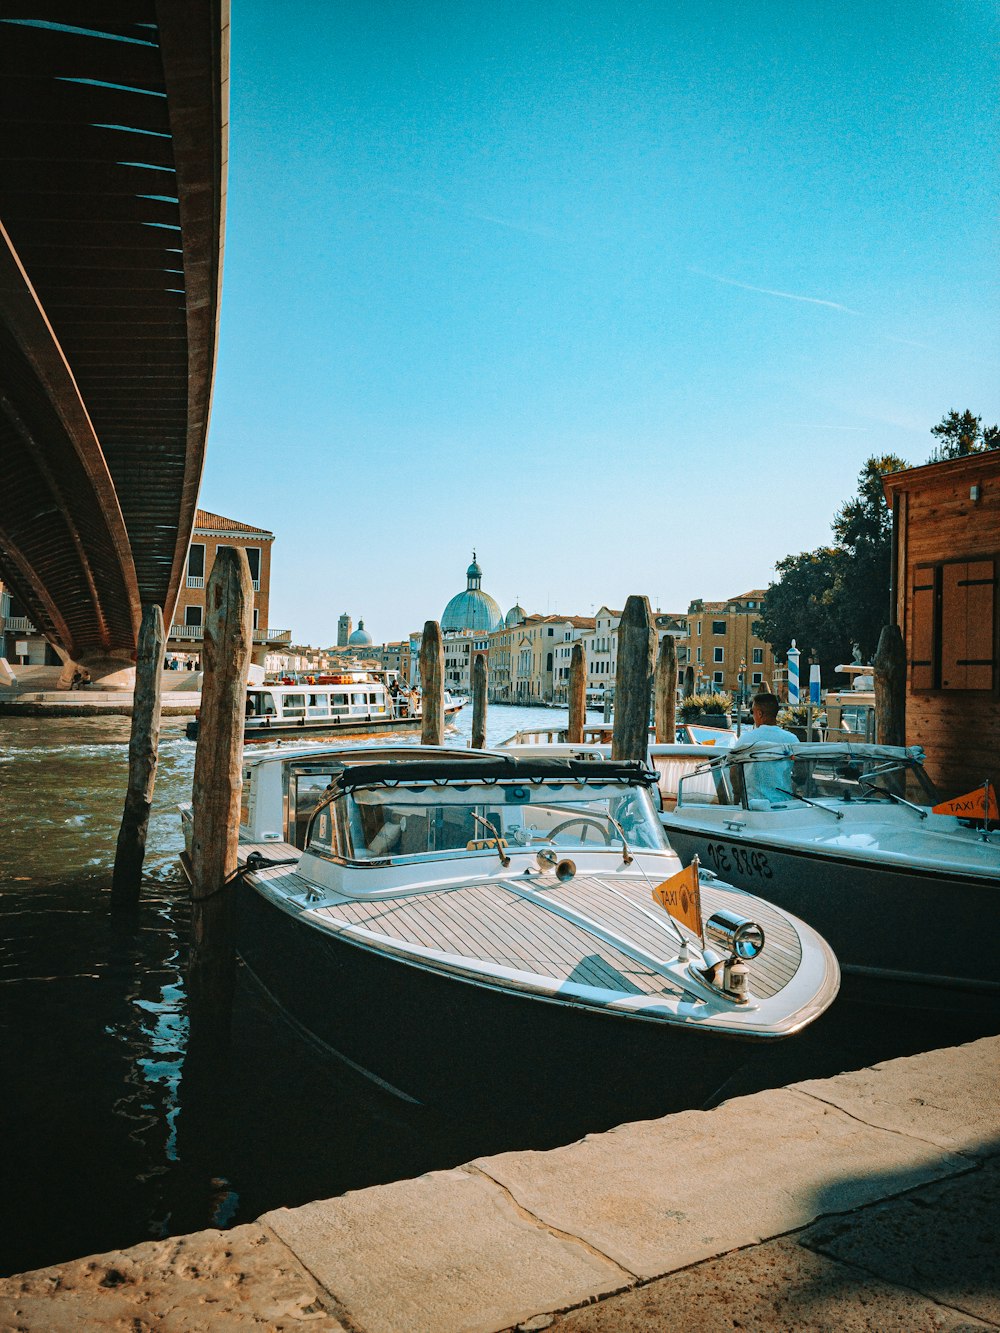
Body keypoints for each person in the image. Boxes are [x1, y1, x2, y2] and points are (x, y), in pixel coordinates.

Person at [731, 692, 799, 806]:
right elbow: (801, 773)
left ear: (760, 713)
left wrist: (737, 796)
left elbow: (734, 772)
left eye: (752, 712)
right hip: (784, 804)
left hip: (754, 804)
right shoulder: (792, 739)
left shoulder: (746, 739)